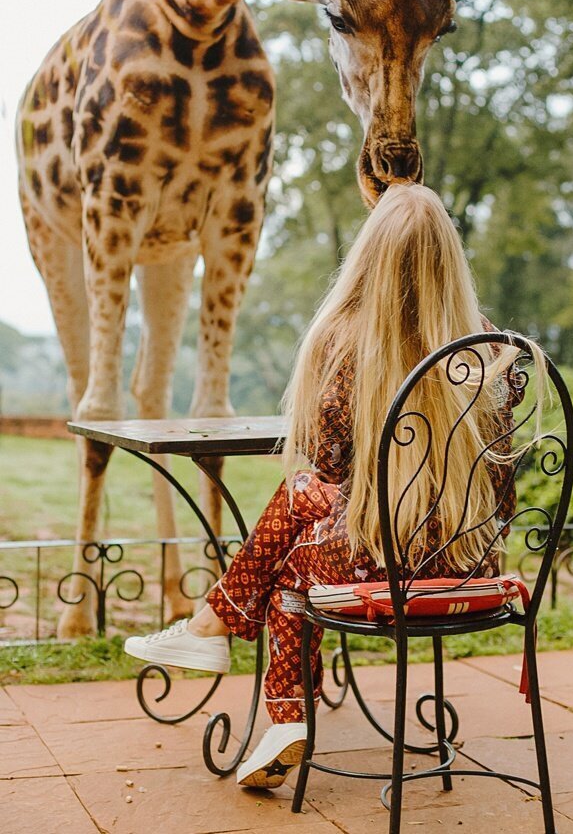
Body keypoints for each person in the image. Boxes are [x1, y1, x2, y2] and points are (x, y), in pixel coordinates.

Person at [124, 183, 540, 788]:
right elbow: (502, 484)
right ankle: (217, 636)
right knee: (299, 514)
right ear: (450, 257)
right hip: (473, 563)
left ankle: (230, 647)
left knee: (295, 547)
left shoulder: (348, 343)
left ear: (368, 256)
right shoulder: (492, 349)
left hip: (383, 565)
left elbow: (328, 465)